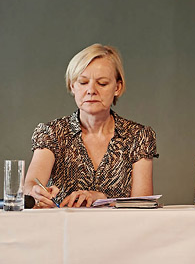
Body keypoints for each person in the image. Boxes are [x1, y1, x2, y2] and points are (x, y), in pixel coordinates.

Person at [24, 44, 158, 208]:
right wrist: (35, 192)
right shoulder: (51, 133)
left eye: (102, 83)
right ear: (72, 86)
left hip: (121, 232)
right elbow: (30, 184)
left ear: (117, 87)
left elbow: (144, 205)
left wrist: (104, 200)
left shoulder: (139, 136)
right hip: (63, 231)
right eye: (83, 82)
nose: (91, 90)